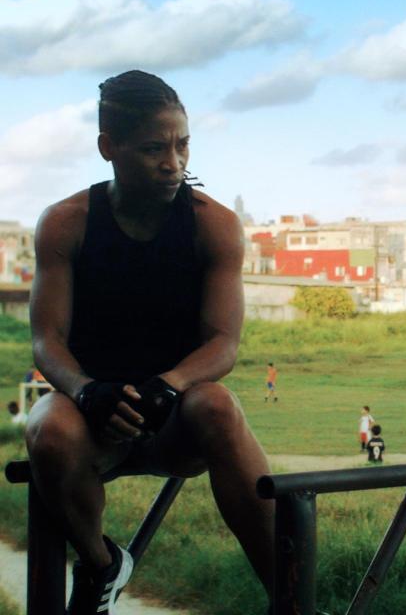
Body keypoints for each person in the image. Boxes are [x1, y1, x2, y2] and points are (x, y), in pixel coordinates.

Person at [25, 70, 274, 615]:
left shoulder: (214, 226)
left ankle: (289, 595)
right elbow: (47, 340)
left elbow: (223, 343)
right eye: (154, 149)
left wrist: (170, 385)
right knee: (45, 428)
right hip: (94, 418)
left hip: (176, 416)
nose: (173, 163)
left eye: (183, 145)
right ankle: (101, 566)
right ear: (108, 148)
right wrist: (87, 392)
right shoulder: (66, 224)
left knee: (216, 402)